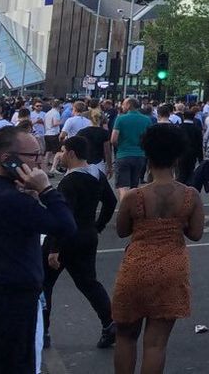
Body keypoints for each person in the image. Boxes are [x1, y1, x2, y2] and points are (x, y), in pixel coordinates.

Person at [0, 127, 75, 373]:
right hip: (11, 300)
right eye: (33, 155)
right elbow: (65, 225)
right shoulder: (9, 199)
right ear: (7, 159)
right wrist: (46, 190)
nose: (39, 161)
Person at [112, 124, 206, 374]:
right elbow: (196, 234)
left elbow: (122, 231)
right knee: (156, 344)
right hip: (172, 267)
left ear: (148, 155)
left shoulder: (134, 196)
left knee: (125, 336)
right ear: (177, 158)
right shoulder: (190, 195)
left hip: (137, 266)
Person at [43, 135, 118, 349]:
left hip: (66, 238)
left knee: (44, 283)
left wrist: (54, 248)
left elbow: (63, 215)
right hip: (87, 235)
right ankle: (109, 323)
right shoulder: (96, 174)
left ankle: (43, 331)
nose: (60, 155)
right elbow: (111, 201)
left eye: (62, 151)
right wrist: (98, 226)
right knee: (89, 282)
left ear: (72, 153)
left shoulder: (69, 182)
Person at [111, 98, 153, 198]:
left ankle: (124, 206)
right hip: (140, 155)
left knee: (123, 186)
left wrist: (119, 146)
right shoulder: (147, 119)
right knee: (134, 187)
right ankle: (133, 206)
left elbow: (113, 139)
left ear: (129, 105)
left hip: (123, 154)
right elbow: (150, 138)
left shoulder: (120, 119)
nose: (122, 106)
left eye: (123, 104)